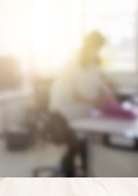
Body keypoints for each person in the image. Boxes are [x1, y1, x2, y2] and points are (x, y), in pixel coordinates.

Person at [49, 31, 117, 177]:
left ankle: (77, 174)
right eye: (97, 48)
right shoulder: (71, 64)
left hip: (82, 114)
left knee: (82, 144)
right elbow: (68, 94)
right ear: (89, 46)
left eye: (99, 49)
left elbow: (98, 82)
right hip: (64, 113)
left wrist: (107, 94)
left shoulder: (93, 64)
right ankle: (67, 174)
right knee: (76, 145)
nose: (98, 52)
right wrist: (93, 101)